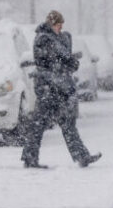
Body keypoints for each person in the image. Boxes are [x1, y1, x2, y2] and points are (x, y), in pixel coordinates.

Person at [21, 10, 102, 169]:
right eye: (58, 25)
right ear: (51, 24)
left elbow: (67, 60)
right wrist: (67, 60)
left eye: (61, 25)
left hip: (60, 88)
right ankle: (30, 158)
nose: (60, 27)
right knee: (39, 123)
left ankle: (82, 156)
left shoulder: (58, 38)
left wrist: (68, 60)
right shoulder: (43, 38)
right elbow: (58, 59)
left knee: (67, 123)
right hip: (47, 89)